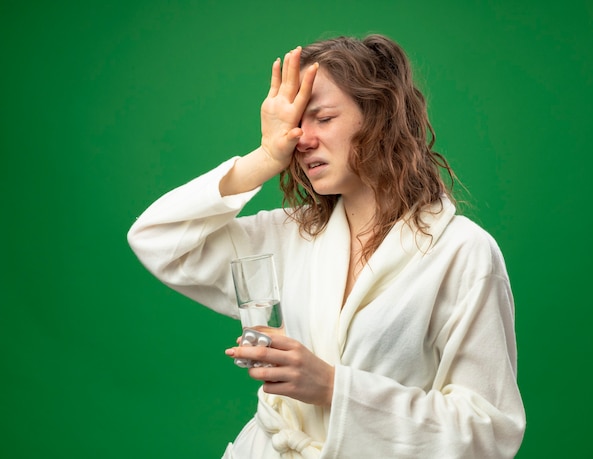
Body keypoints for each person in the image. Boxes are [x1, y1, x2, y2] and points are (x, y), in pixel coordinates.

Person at [127, 34, 526, 458]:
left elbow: (488, 433)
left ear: (380, 116)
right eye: (296, 124)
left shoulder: (463, 252)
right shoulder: (294, 233)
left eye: (323, 118)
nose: (301, 139)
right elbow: (157, 239)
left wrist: (335, 388)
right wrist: (265, 156)